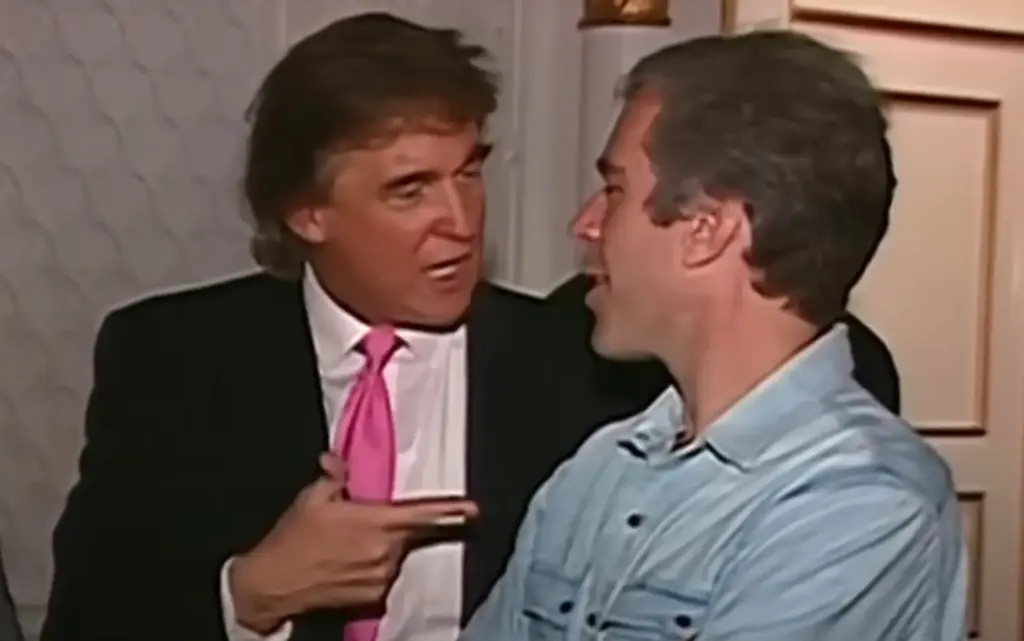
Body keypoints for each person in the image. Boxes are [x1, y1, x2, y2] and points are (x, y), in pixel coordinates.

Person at [40, 13, 903, 641]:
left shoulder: (584, 357)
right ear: (307, 213)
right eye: (409, 189)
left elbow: (801, 358)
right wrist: (251, 594)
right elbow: (86, 620)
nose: (459, 221)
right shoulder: (174, 360)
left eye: (470, 172)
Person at [461, 31, 964, 641]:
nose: (585, 224)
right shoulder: (600, 465)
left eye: (615, 191)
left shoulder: (865, 503)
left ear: (707, 230)